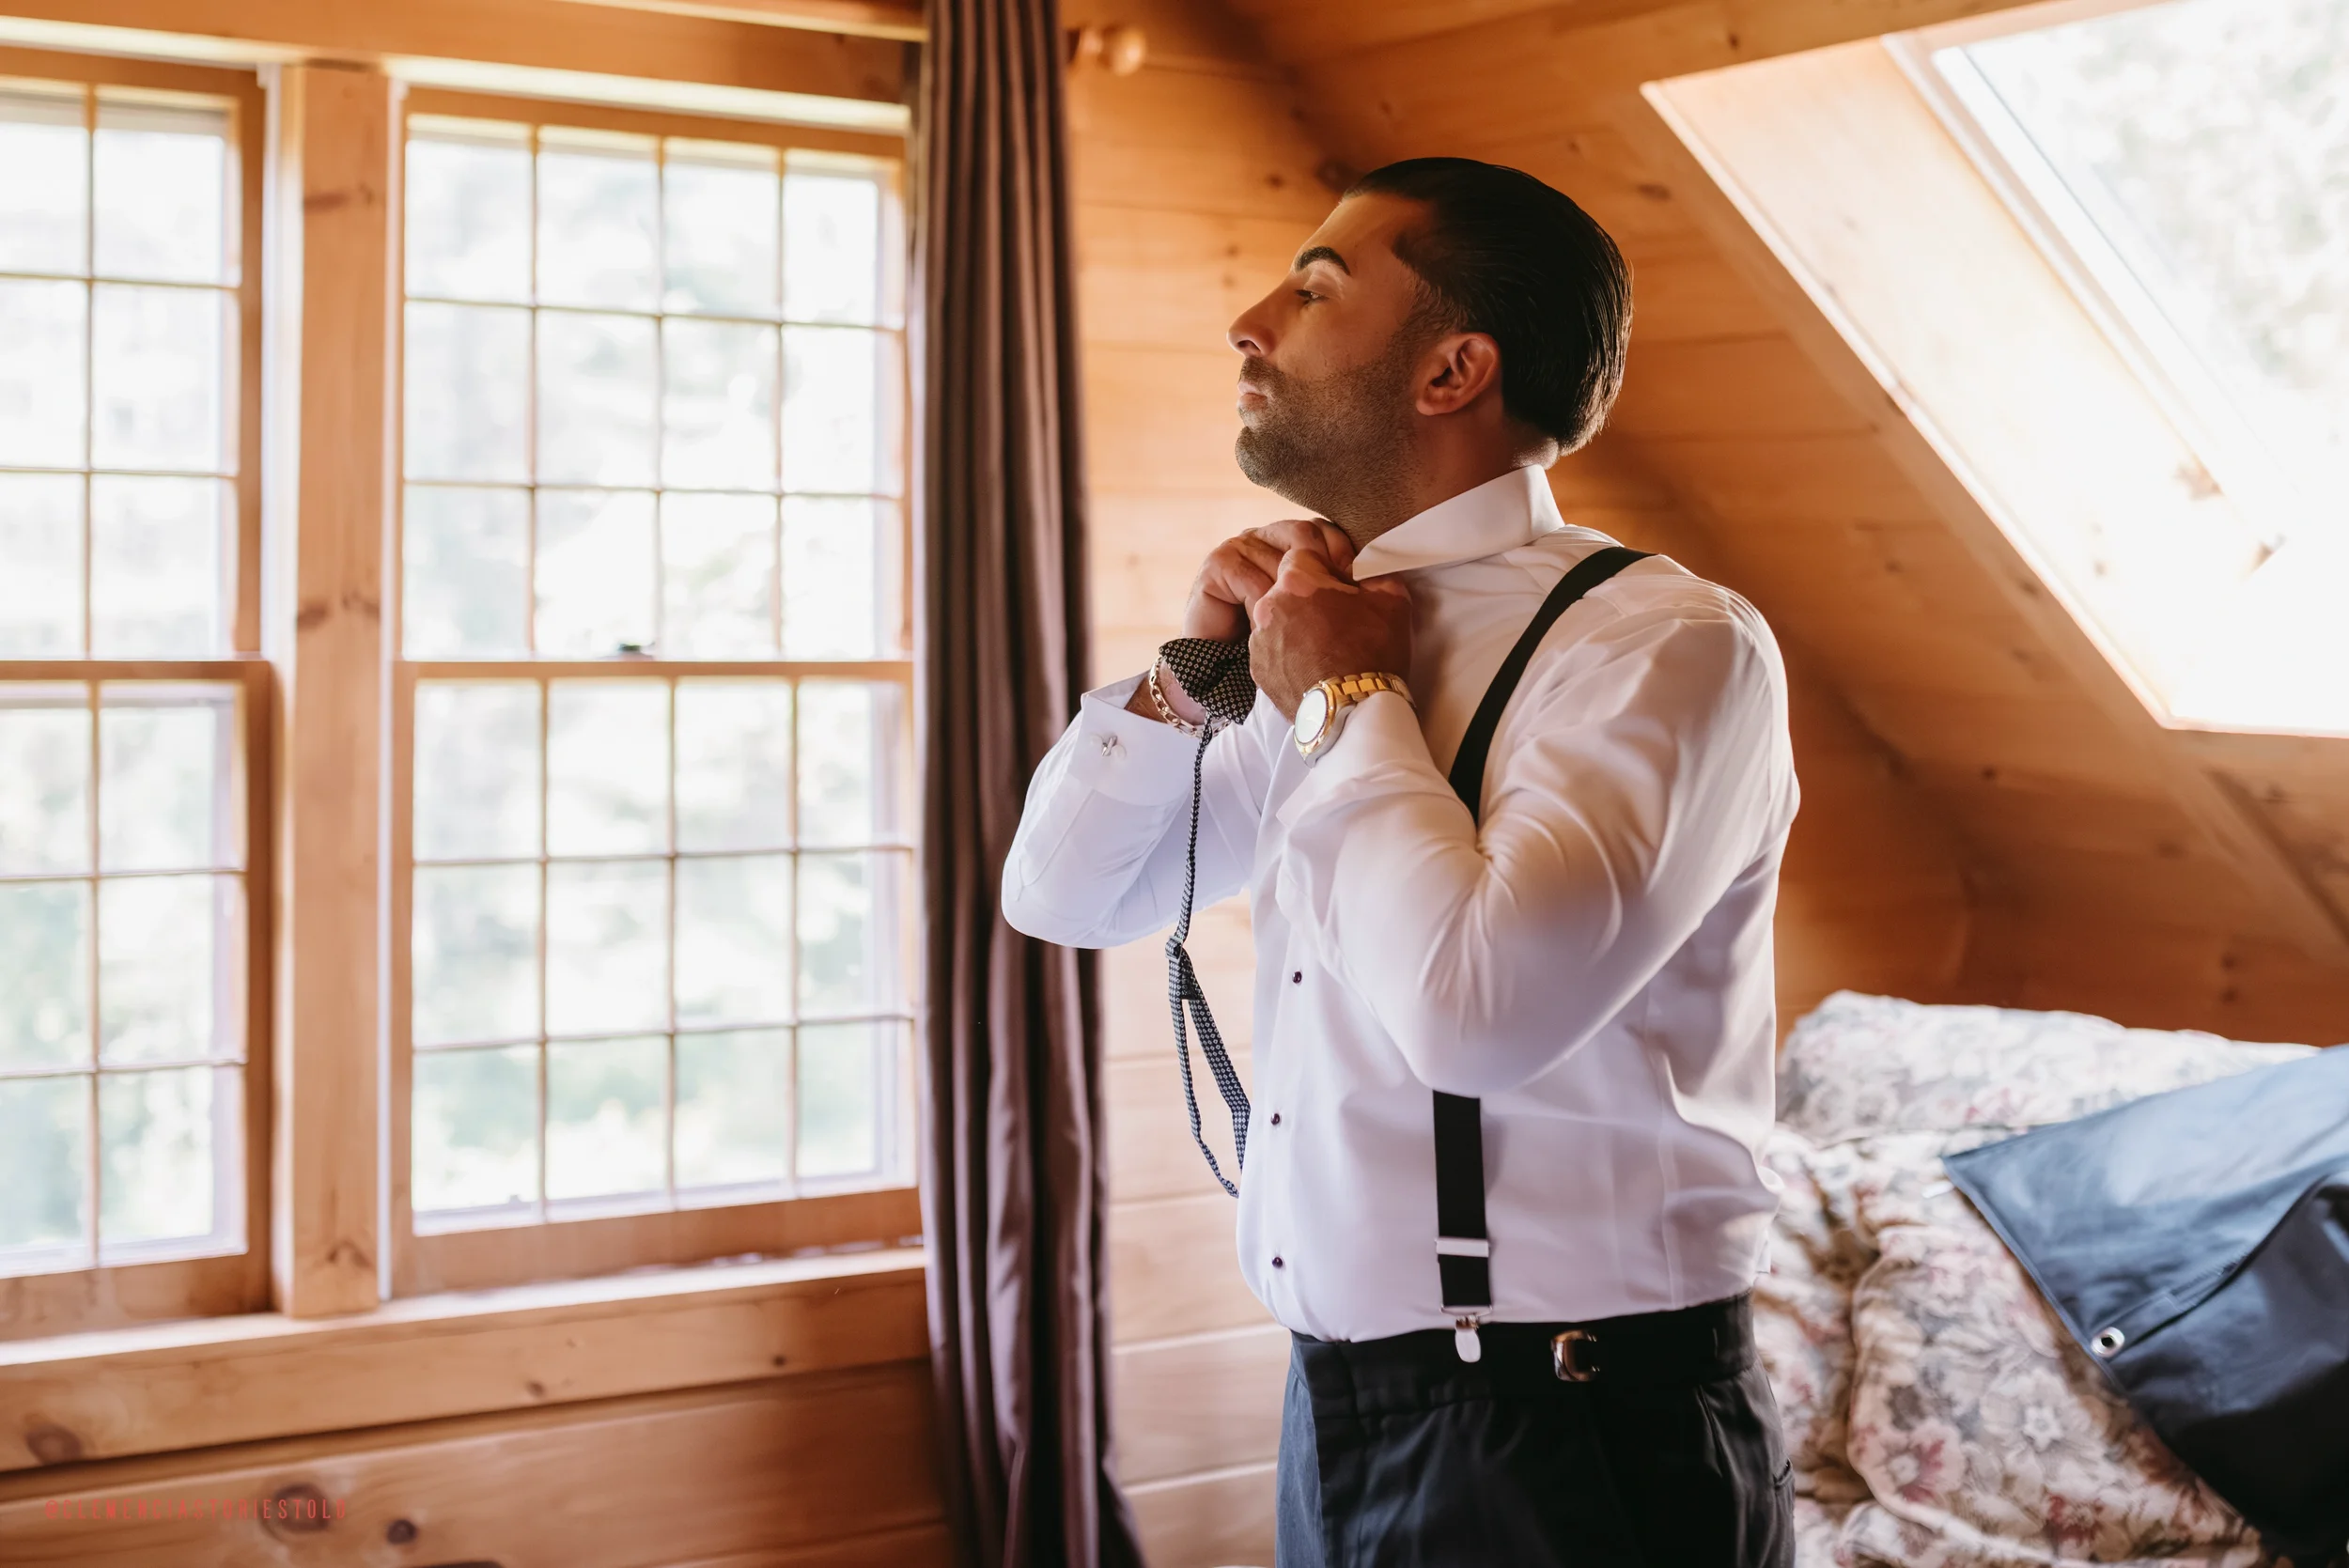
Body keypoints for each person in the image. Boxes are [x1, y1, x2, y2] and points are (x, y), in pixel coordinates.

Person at [1002, 157, 1797, 1567]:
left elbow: (1479, 1016)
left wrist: (1351, 705)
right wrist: (1197, 674)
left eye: (1312, 291)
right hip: (1340, 1404)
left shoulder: (1663, 646)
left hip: (1580, 1429)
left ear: (1453, 371)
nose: (1249, 322)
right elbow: (1062, 896)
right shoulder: (1313, 627)